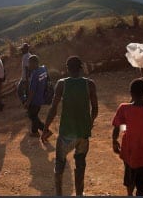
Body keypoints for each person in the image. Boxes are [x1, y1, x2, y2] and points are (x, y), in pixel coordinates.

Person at [41, 56, 98, 196]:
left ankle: (59, 193)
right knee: (80, 164)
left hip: (67, 132)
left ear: (67, 68)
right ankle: (79, 194)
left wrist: (45, 128)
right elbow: (95, 109)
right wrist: (89, 123)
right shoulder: (90, 84)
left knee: (59, 165)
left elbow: (53, 108)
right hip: (83, 134)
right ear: (81, 68)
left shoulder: (62, 84)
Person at [24, 55, 48, 137]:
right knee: (34, 115)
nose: (28, 65)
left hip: (35, 99)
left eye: (29, 63)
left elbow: (32, 91)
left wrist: (27, 102)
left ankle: (46, 130)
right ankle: (34, 132)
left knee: (32, 116)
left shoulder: (35, 74)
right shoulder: (43, 69)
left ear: (34, 63)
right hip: (41, 97)